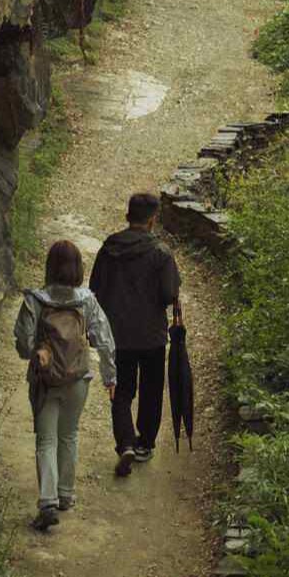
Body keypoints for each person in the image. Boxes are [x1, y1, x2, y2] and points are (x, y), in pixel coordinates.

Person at [13, 238, 116, 533]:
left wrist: (36, 354)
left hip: (46, 380)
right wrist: (111, 378)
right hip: (78, 379)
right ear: (78, 268)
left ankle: (48, 501)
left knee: (46, 440)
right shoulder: (86, 301)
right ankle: (66, 495)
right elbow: (105, 341)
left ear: (50, 266)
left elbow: (23, 343)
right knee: (69, 435)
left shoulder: (35, 300)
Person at [87, 192, 182, 475]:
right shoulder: (161, 253)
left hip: (117, 335)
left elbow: (95, 288)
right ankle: (144, 444)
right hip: (151, 335)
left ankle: (125, 442)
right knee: (151, 390)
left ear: (128, 216)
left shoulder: (109, 249)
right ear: (153, 220)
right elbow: (169, 294)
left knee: (122, 390)